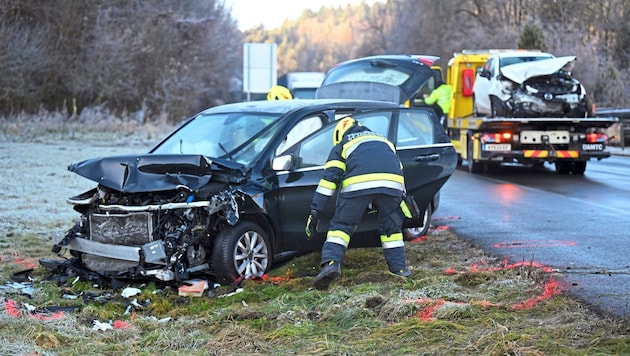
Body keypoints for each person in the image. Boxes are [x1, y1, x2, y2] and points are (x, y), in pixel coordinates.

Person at [305, 117, 411, 290]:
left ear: (340, 133)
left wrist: (316, 209)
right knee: (391, 229)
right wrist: (402, 197)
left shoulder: (344, 144)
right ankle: (400, 270)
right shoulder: (384, 140)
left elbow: (330, 178)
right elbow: (397, 167)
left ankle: (331, 263)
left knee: (341, 226)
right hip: (392, 185)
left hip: (358, 186)